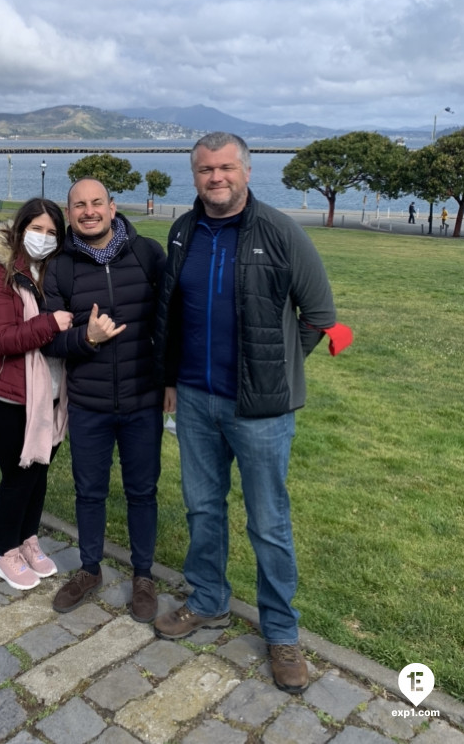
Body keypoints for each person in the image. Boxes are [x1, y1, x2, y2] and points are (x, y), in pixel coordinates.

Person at [154, 132, 351, 694]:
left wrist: (275, 369)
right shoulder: (182, 232)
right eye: (205, 170)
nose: (216, 178)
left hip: (260, 410)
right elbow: (173, 312)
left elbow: (319, 315)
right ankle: (208, 600)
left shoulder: (281, 232)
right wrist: (169, 379)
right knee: (202, 508)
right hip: (195, 400)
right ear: (195, 176)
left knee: (268, 522)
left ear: (245, 171)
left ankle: (282, 632)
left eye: (226, 168)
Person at [42, 178, 165, 623]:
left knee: (142, 491)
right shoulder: (60, 268)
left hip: (142, 399)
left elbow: (169, 322)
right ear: (69, 213)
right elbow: (49, 340)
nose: (89, 211)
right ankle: (89, 569)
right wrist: (87, 339)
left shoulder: (148, 254)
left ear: (113, 208)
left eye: (97, 203)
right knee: (89, 492)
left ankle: (143, 576)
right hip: (89, 403)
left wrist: (169, 380)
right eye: (79, 205)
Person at [0, 198, 74, 590]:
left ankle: (28, 539)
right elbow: (0, 339)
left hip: (52, 393)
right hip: (11, 396)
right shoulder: (0, 274)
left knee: (39, 473)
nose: (43, 238)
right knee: (18, 476)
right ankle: (6, 552)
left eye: (52, 232)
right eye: (36, 229)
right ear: (20, 230)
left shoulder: (56, 272)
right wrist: (50, 324)